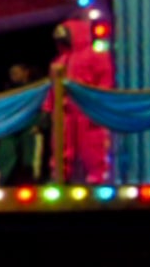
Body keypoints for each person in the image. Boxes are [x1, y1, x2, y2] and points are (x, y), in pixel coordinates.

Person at [49, 17, 115, 185]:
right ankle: (60, 176)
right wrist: (49, 106)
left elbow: (105, 80)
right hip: (65, 110)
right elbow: (52, 87)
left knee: (93, 144)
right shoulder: (59, 61)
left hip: (87, 108)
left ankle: (97, 177)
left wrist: (99, 103)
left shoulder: (96, 56)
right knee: (61, 143)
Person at [0, 61, 44, 183]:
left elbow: (44, 107)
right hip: (14, 128)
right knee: (8, 157)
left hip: (31, 127)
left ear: (26, 72)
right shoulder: (10, 90)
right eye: (11, 73)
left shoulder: (37, 88)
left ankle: (34, 181)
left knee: (30, 160)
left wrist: (40, 124)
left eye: (15, 72)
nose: (12, 76)